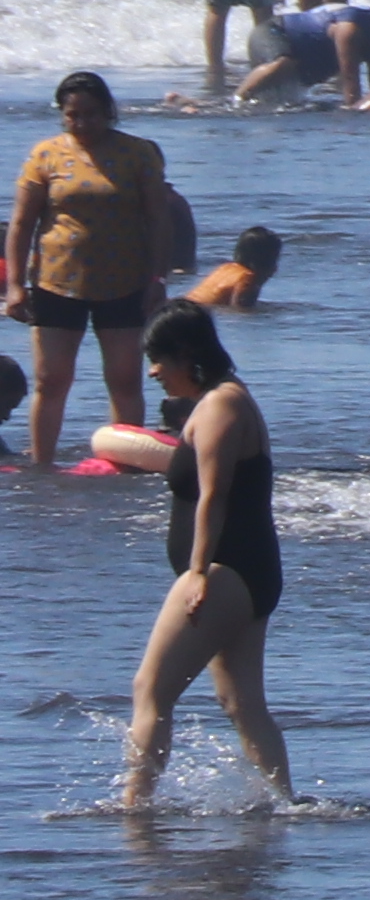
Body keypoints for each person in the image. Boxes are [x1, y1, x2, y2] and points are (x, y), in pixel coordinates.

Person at [115, 299, 289, 806]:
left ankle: (134, 806)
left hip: (226, 571)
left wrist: (196, 573)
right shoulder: (219, 400)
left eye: (159, 359)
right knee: (240, 702)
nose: (152, 372)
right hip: (246, 570)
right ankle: (283, 807)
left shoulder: (221, 406)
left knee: (150, 689)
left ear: (187, 353)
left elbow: (213, 494)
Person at [15, 69, 175, 468]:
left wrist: (158, 279)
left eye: (90, 114)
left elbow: (158, 220)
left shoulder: (139, 154)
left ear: (108, 111)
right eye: (72, 115)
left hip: (124, 283)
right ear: (62, 115)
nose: (82, 123)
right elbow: (22, 223)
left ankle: (125, 464)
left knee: (124, 380)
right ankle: (44, 465)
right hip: (56, 281)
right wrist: (16, 285)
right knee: (51, 381)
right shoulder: (45, 154)